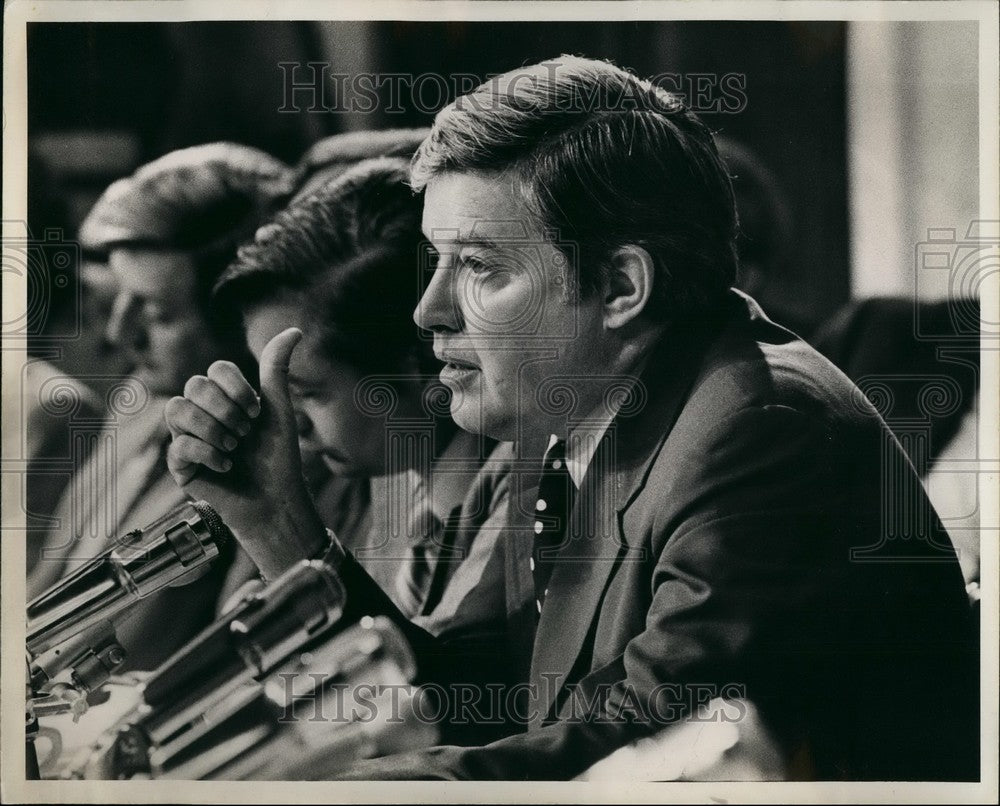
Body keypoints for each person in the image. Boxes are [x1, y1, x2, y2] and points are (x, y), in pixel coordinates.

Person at [165, 57, 978, 780]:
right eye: (435, 261)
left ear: (623, 286)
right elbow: (474, 700)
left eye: (479, 267)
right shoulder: (567, 410)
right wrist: (276, 521)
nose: (427, 309)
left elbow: (627, 753)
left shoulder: (760, 430)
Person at [172, 156, 510, 622]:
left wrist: (276, 524)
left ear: (424, 367)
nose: (284, 422)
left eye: (306, 391)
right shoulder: (389, 477)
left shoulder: (521, 496)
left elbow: (417, 688)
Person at [28, 142, 295, 670]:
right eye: (117, 300)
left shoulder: (267, 462)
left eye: (157, 312)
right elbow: (50, 576)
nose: (118, 331)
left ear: (237, 319)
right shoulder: (137, 402)